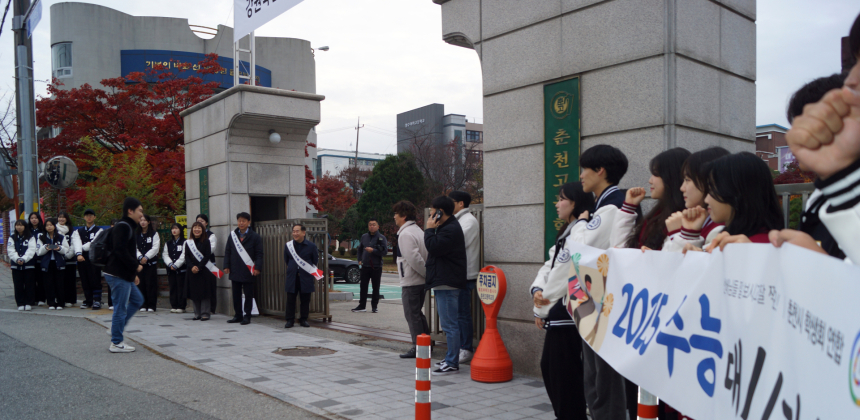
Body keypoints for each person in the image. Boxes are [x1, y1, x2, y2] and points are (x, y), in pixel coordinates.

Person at [570, 144, 631, 420]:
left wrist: (581, 224)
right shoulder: (607, 203)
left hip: (604, 301)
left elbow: (580, 248)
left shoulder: (610, 206)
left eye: (585, 169)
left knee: (602, 381)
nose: (581, 175)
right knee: (595, 377)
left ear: (600, 170)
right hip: (596, 298)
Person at [530, 182, 594, 420]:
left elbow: (565, 270)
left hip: (571, 310)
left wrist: (542, 308)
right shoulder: (568, 230)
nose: (557, 203)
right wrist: (537, 288)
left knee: (562, 371)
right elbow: (551, 264)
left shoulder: (583, 228)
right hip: (559, 307)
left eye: (562, 199)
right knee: (553, 368)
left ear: (575, 202)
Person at [687, 152, 785, 252]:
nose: (706, 200)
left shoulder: (755, 246)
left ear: (736, 193)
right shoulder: (750, 242)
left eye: (712, 190)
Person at [611, 148, 690, 250]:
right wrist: (628, 208)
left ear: (672, 176)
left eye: (656, 174)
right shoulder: (657, 214)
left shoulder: (687, 218)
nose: (650, 180)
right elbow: (619, 249)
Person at [424, 196, 467, 375]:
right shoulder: (446, 228)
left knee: (450, 324)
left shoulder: (450, 230)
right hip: (444, 280)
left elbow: (433, 247)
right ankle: (450, 358)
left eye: (433, 210)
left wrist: (428, 230)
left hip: (448, 281)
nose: (431, 213)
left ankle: (452, 362)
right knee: (449, 323)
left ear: (441, 211)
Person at [661, 147, 731, 253]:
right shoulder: (693, 220)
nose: (682, 188)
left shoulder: (720, 230)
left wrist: (678, 235)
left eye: (688, 180)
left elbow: (675, 266)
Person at [104, 197, 144, 353]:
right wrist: (136, 266)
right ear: (130, 211)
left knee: (137, 299)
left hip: (124, 274)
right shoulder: (123, 227)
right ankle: (116, 342)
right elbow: (119, 251)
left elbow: (126, 252)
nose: (142, 214)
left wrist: (132, 273)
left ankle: (115, 329)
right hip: (117, 274)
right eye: (140, 210)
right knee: (120, 308)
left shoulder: (128, 227)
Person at [392, 200, 429, 359]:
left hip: (412, 281)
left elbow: (414, 258)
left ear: (403, 216)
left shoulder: (405, 233)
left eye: (396, 214)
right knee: (417, 314)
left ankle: (418, 347)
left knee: (412, 315)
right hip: (419, 281)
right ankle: (426, 344)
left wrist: (426, 273)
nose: (394, 217)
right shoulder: (418, 230)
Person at [447, 190, 480, 364]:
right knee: (457, 313)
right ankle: (460, 347)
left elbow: (455, 242)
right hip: (457, 273)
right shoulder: (458, 220)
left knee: (462, 314)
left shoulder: (469, 221)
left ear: (461, 204)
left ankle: (466, 348)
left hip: (465, 274)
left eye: (451, 201)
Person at [224, 212, 263, 325]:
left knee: (248, 294)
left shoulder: (255, 236)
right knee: (236, 294)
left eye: (243, 221)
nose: (241, 223)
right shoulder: (232, 236)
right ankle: (238, 315)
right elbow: (228, 251)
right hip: (235, 269)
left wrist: (258, 268)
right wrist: (226, 265)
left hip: (248, 270)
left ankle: (247, 316)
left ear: (248, 222)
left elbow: (259, 254)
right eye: (239, 221)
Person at [284, 224, 320, 328]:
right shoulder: (288, 246)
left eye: (297, 231)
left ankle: (303, 319)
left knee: (305, 299)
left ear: (303, 233)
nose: (295, 233)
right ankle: (290, 320)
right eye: (294, 231)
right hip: (292, 276)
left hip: (305, 277)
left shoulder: (311, 246)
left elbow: (314, 261)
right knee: (290, 299)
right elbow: (287, 260)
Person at [352, 219, 388, 313]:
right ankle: (362, 305)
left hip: (376, 266)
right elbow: (360, 249)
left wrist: (373, 251)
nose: (372, 226)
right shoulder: (364, 237)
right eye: (370, 225)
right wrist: (359, 259)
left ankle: (374, 306)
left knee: (376, 287)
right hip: (365, 266)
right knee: (363, 286)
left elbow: (384, 252)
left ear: (378, 226)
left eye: (374, 225)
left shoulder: (381, 238)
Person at [37, 218, 70, 310]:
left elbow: (66, 249)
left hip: (58, 263)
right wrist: (45, 248)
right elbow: (38, 252)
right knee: (48, 284)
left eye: (51, 225)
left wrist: (59, 248)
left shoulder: (60, 237)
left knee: (59, 284)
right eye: (47, 225)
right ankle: (51, 302)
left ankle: (60, 303)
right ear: (45, 227)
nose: (49, 227)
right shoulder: (41, 238)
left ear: (54, 226)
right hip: (47, 264)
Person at [185, 221, 216, 321]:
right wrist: (192, 266)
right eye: (195, 227)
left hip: (204, 270)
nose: (197, 229)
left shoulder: (206, 241)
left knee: (205, 292)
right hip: (192, 271)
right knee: (195, 292)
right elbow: (187, 256)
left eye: (199, 227)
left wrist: (199, 267)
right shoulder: (188, 242)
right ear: (192, 229)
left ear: (202, 230)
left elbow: (207, 256)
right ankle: (197, 313)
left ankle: (205, 313)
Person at [76, 209, 105, 309]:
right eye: (87, 215)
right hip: (82, 258)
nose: (89, 217)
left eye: (91, 215)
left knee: (95, 279)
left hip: (94, 259)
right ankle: (88, 300)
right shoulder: (78, 231)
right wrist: (79, 253)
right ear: (84, 217)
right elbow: (76, 243)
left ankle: (97, 300)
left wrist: (82, 248)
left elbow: (94, 243)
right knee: (85, 279)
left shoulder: (99, 231)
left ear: (94, 217)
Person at [8, 220, 37, 311]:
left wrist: (24, 259)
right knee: (18, 284)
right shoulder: (12, 237)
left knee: (29, 284)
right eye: (17, 225)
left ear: (25, 226)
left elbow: (31, 250)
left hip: (28, 265)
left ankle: (29, 302)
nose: (19, 227)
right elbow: (11, 250)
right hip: (16, 266)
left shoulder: (30, 237)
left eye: (21, 225)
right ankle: (20, 302)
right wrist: (17, 259)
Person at [136, 214, 160, 312]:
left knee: (151, 284)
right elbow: (134, 248)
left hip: (150, 264)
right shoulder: (136, 234)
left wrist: (146, 257)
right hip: (140, 264)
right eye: (141, 220)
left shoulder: (154, 234)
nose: (143, 222)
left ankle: (151, 305)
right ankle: (142, 304)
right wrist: (140, 257)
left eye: (145, 220)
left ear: (149, 222)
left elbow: (155, 247)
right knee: (140, 284)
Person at [162, 223, 187, 313]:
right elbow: (165, 255)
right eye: (173, 228)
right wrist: (170, 264)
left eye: (176, 228)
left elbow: (184, 255)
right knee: (172, 287)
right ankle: (174, 305)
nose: (174, 230)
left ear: (180, 230)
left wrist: (176, 265)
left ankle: (181, 306)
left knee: (181, 287)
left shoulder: (185, 242)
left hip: (181, 269)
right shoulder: (168, 243)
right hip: (171, 269)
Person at [196, 214, 219, 312]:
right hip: (197, 266)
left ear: (206, 223)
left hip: (209, 265)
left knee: (210, 287)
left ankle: (211, 309)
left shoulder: (211, 235)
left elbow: (210, 250)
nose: (199, 223)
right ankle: (200, 309)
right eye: (198, 221)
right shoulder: (194, 236)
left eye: (202, 221)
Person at [57, 212, 79, 308]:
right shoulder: (54, 229)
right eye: (60, 217)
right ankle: (61, 299)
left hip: (70, 259)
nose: (61, 219)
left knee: (70, 280)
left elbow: (75, 244)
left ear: (67, 219)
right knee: (60, 281)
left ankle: (71, 300)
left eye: (63, 217)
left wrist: (69, 255)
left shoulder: (72, 230)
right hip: (58, 258)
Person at [28, 212, 46, 306]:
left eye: (36, 218)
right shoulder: (27, 230)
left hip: (40, 259)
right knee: (31, 280)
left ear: (39, 219)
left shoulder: (42, 230)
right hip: (30, 259)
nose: (34, 220)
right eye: (32, 218)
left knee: (41, 280)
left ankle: (41, 298)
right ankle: (33, 298)